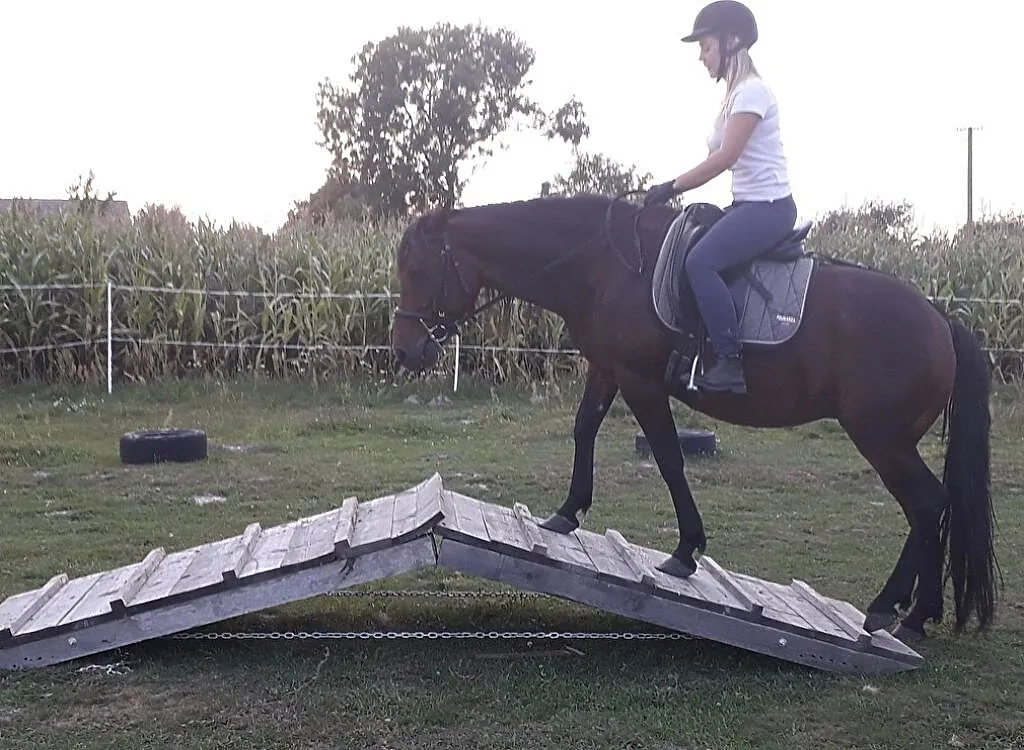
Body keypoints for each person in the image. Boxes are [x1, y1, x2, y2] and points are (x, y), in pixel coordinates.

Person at [644, 0, 797, 395]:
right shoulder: (733, 96)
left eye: (706, 46)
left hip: (769, 208)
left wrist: (672, 187)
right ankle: (695, 349)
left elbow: (725, 157)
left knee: (701, 262)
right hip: (747, 204)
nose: (701, 56)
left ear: (731, 43)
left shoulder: (752, 92)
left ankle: (729, 362)